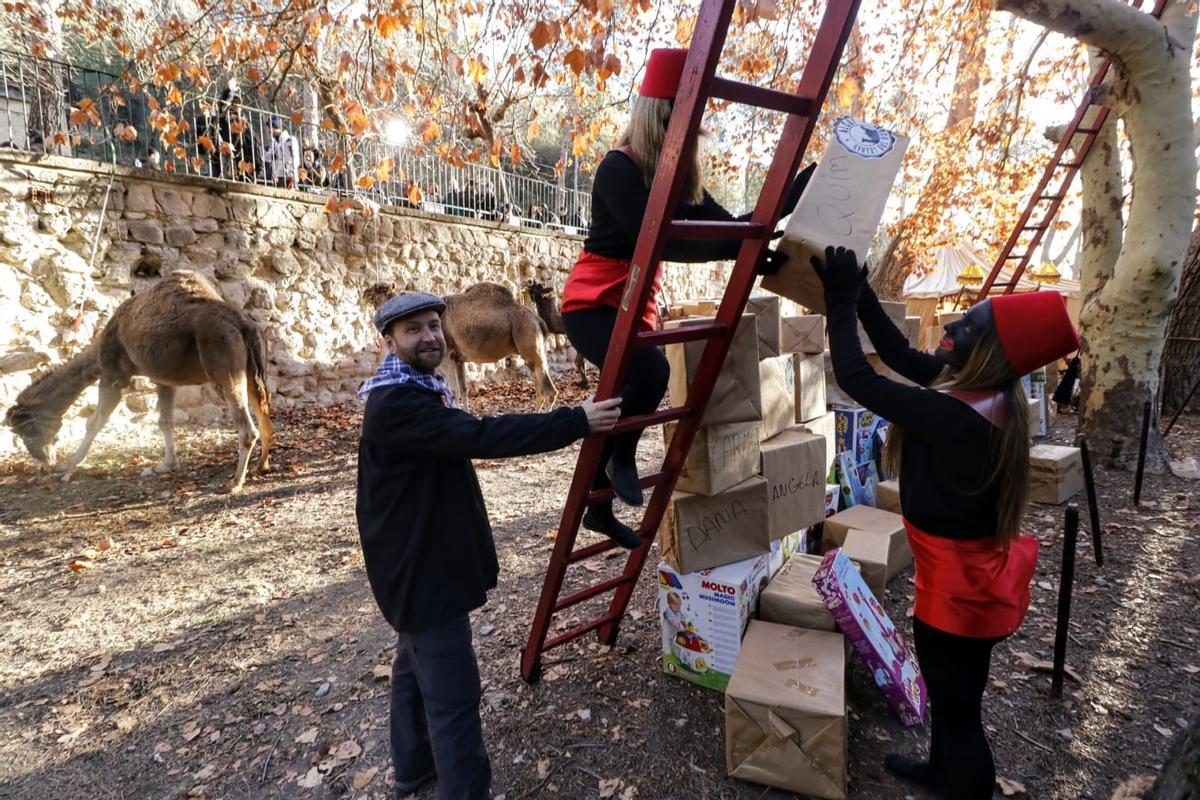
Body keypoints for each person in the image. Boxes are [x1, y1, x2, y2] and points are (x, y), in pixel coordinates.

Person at [812, 246, 1080, 799]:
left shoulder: (956, 418)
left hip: (961, 592)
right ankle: (941, 771)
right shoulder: (987, 394)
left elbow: (856, 377)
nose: (954, 322)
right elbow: (896, 352)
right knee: (956, 697)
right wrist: (859, 290)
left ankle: (966, 784)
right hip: (967, 579)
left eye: (970, 323)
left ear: (989, 352)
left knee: (959, 713)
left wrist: (837, 300)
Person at [355, 290, 622, 800]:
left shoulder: (411, 391)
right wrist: (577, 420)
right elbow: (484, 436)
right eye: (414, 330)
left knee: (412, 669)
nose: (430, 336)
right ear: (389, 341)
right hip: (422, 574)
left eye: (435, 325)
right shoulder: (399, 405)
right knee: (454, 697)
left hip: (411, 565)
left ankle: (412, 768)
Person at [558, 47, 813, 547]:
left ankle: (600, 503)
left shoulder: (676, 177)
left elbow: (727, 227)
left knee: (632, 384)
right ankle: (621, 455)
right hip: (593, 304)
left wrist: (782, 206)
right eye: (686, 124)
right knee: (650, 372)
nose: (693, 136)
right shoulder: (619, 169)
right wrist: (739, 243)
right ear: (658, 119)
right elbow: (664, 241)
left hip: (634, 302)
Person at [266, 116, 299, 189]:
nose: (268, 130)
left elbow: (294, 159)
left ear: (273, 126)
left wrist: (291, 175)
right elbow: (267, 157)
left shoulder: (290, 140)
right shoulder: (274, 142)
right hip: (277, 177)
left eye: (269, 127)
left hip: (288, 176)